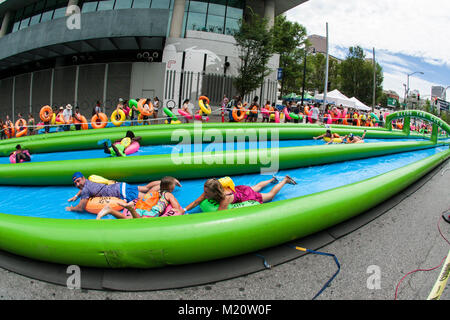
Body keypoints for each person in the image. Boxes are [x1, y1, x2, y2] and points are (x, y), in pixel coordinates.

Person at [66, 172, 181, 213]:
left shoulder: (85, 189)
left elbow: (81, 207)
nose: (77, 184)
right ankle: (169, 180)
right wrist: (75, 196)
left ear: (83, 178)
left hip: (122, 193)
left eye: (78, 181)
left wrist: (72, 208)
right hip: (121, 185)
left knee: (147, 196)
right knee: (146, 188)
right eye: (75, 183)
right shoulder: (89, 182)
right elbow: (83, 189)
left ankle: (167, 184)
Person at [184, 175, 297, 212]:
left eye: (207, 193)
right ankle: (272, 179)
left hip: (245, 196)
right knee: (256, 187)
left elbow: (218, 215)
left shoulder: (225, 198)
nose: (204, 195)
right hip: (239, 190)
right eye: (205, 192)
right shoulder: (210, 190)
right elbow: (196, 202)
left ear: (215, 192)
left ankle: (285, 180)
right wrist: (183, 210)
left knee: (270, 196)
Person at [96, 176, 184, 220]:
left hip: (141, 205)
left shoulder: (155, 190)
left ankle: (110, 210)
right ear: (171, 188)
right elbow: (176, 208)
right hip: (152, 211)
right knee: (139, 221)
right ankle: (131, 209)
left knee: (128, 219)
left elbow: (147, 195)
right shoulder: (168, 194)